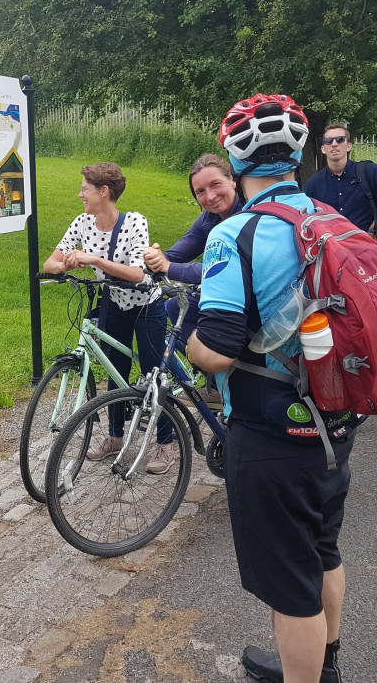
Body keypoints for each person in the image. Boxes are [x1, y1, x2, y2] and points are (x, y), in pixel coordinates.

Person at [188, 93, 355, 683]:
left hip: (271, 432)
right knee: (322, 549)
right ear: (298, 152)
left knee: (290, 587)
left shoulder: (235, 233)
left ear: (236, 160)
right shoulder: (329, 221)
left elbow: (220, 344)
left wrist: (190, 348)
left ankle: (304, 673)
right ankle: (325, 664)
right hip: (335, 420)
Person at [42, 162, 173, 474]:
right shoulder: (83, 222)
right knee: (116, 373)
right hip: (113, 303)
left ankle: (165, 443)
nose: (80, 194)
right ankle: (115, 437)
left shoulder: (134, 222)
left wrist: (93, 259)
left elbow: (138, 273)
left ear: (104, 192)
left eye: (85, 189)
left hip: (145, 305)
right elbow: (51, 261)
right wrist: (65, 266)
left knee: (154, 375)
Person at [143, 153, 242, 350]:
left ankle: (224, 366)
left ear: (232, 180)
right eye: (200, 191)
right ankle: (207, 370)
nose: (210, 196)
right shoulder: (209, 218)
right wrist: (154, 256)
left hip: (249, 300)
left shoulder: (247, 216)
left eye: (215, 184)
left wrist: (168, 267)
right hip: (227, 295)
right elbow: (178, 252)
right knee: (174, 306)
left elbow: (216, 269)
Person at [304, 124, 377, 247]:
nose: (334, 144)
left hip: (369, 249)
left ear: (349, 146)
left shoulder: (370, 172)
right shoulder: (314, 184)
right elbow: (308, 223)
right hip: (331, 253)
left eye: (340, 139)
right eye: (328, 141)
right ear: (323, 149)